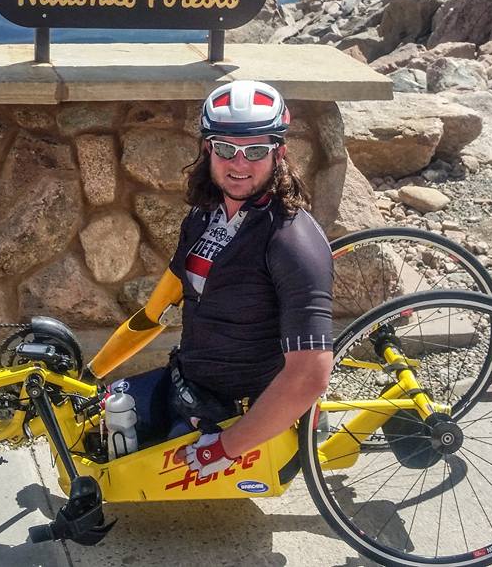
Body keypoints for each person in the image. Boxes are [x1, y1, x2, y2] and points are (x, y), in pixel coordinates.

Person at [87, 79, 333, 478]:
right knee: (87, 430)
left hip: (240, 419)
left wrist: (225, 448)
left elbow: (309, 376)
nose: (239, 164)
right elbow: (154, 313)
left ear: (279, 153)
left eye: (255, 151)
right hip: (189, 386)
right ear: (208, 149)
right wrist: (90, 374)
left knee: (119, 479)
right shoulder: (204, 217)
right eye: (225, 148)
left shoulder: (293, 243)